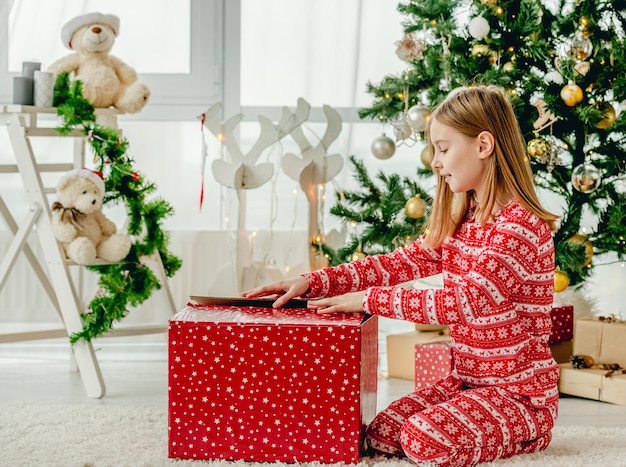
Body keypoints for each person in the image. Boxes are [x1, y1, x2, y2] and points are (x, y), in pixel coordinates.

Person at [242, 85, 560, 466]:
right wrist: (315, 282)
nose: (436, 162)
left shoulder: (519, 226)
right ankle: (478, 418)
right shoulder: (467, 221)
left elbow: (465, 301)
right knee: (381, 436)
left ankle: (533, 431)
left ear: (483, 145)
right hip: (468, 383)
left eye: (443, 148)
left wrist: (371, 300)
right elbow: (396, 264)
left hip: (518, 394)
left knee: (422, 441)